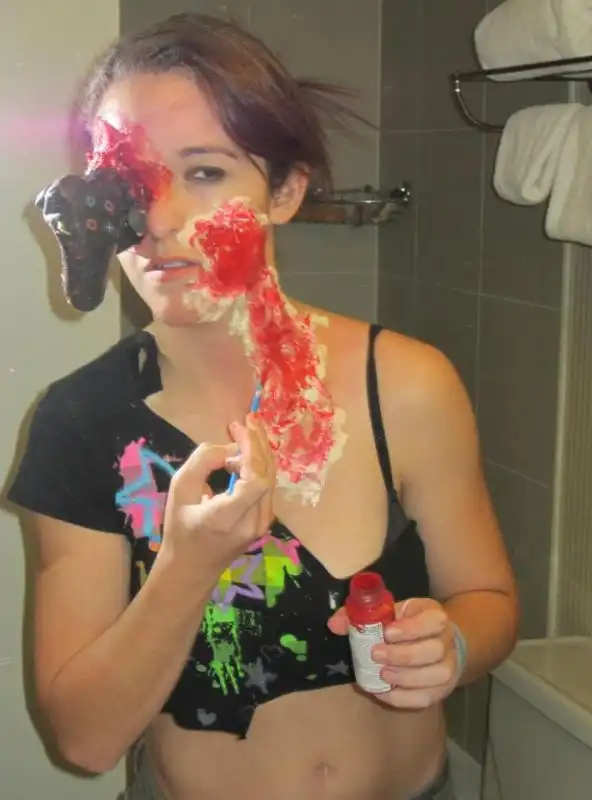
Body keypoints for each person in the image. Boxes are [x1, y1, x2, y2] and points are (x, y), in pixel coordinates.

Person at [8, 13, 518, 800]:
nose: (161, 221)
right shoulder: (81, 424)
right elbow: (84, 739)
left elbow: (491, 603)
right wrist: (186, 568)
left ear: (284, 190)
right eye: (132, 181)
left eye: (205, 172)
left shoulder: (407, 384)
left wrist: (451, 644)